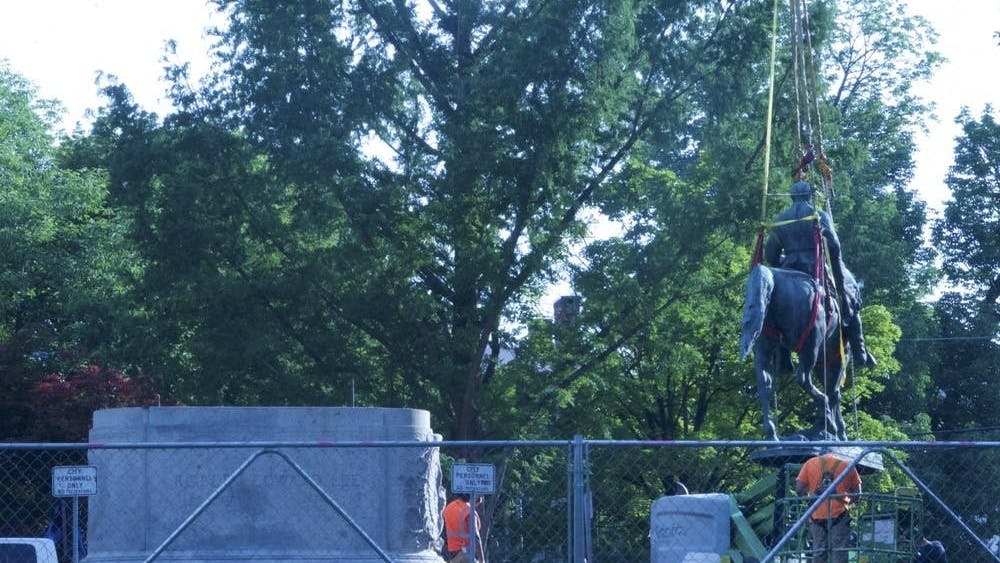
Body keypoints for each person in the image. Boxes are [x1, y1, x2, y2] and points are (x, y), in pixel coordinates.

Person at [764, 180, 877, 368]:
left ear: (792, 197)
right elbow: (834, 244)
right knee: (849, 296)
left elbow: (770, 254)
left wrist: (783, 262)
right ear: (810, 196)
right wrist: (836, 267)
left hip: (789, 269)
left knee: (775, 305)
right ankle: (860, 352)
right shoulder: (819, 214)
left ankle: (782, 356)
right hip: (815, 267)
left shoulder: (780, 220)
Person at [795, 452, 862, 563]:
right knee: (839, 552)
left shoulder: (810, 463)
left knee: (819, 552)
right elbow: (857, 493)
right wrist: (845, 500)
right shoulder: (847, 465)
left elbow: (799, 489)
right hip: (839, 516)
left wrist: (812, 495)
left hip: (816, 516)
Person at [442, 493, 485, 563]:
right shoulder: (468, 511)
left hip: (452, 556)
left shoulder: (448, 508)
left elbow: (444, 534)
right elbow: (475, 536)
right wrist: (482, 560)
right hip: (465, 554)